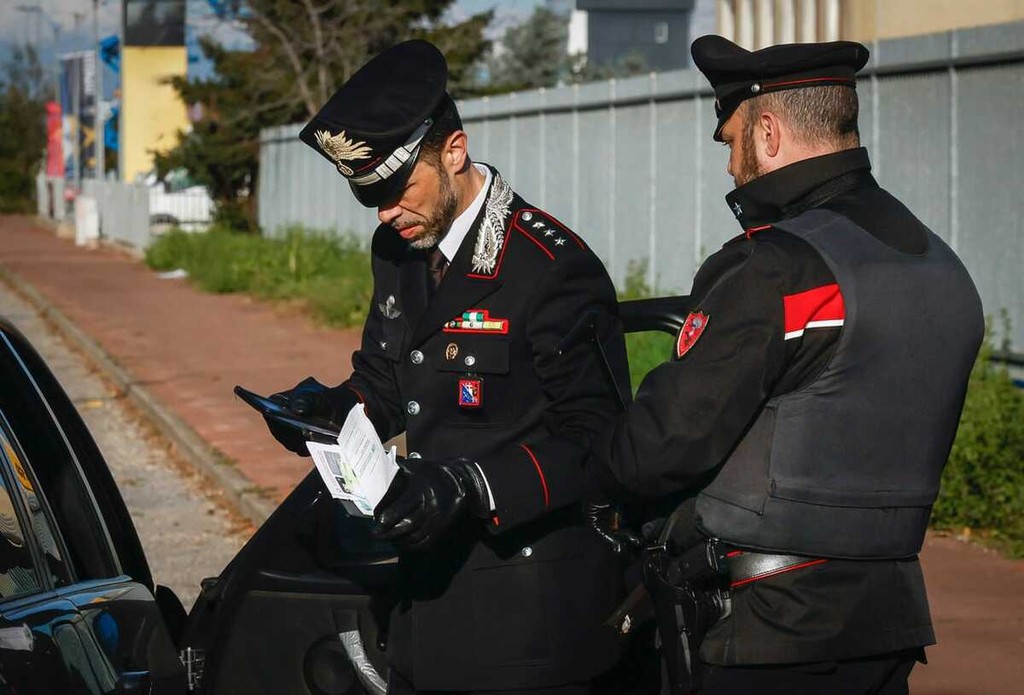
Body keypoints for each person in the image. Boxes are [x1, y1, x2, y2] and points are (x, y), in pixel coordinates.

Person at [585, 35, 984, 693]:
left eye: (730, 140)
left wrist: (588, 449)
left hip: (766, 633)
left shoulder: (776, 267)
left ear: (768, 133)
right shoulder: (942, 266)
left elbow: (657, 449)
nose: (728, 165)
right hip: (886, 623)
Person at [266, 40, 629, 694]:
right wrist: (329, 411)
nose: (386, 212)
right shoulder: (397, 251)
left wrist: (471, 485)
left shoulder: (549, 267)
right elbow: (386, 382)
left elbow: (598, 438)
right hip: (425, 599)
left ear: (454, 151)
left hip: (528, 613)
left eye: (397, 188)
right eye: (368, 196)